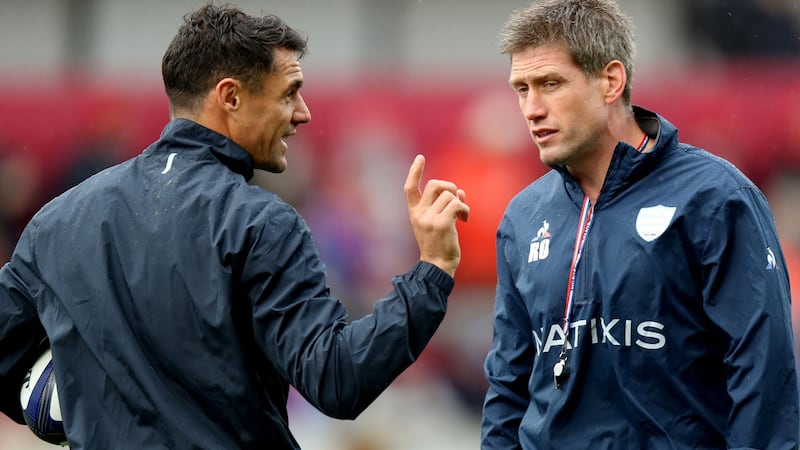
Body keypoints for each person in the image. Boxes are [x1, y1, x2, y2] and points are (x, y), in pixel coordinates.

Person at [0, 3, 470, 448]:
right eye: (289, 92)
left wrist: (77, 412)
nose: (303, 113)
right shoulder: (259, 223)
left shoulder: (57, 220)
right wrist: (431, 271)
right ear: (231, 96)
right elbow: (337, 381)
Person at [480, 0, 799, 448]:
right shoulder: (524, 217)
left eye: (550, 84)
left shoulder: (715, 199)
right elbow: (507, 388)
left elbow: (764, 371)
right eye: (521, 88)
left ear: (611, 81)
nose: (531, 109)